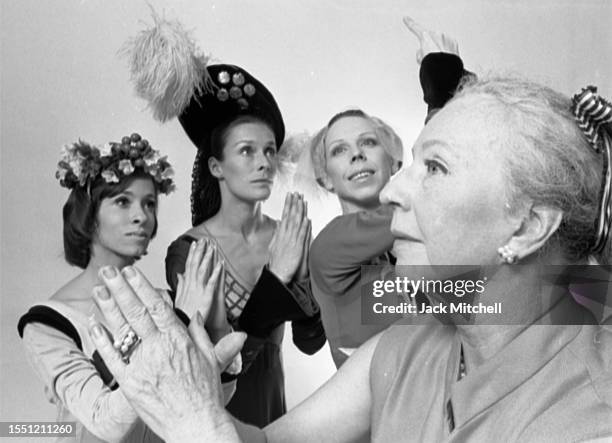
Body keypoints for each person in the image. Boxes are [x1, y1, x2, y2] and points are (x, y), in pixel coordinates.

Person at [90, 75, 612, 442]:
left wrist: (196, 426)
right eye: (340, 150)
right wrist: (199, 410)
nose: (392, 190)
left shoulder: (592, 417)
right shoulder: (401, 345)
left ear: (528, 227)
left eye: (434, 167)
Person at [123, 13, 325, 427]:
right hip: (214, 416)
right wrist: (277, 279)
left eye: (269, 151)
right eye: (247, 152)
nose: (264, 163)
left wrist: (306, 282)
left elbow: (310, 343)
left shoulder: (287, 235)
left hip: (275, 415)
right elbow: (206, 359)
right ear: (216, 166)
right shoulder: (190, 250)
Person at [309, 17, 471, 367]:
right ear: (325, 179)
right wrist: (442, 92)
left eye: (369, 142)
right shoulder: (329, 248)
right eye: (338, 150)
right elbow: (432, 191)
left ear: (395, 161)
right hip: (376, 420)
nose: (356, 154)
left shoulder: (417, 245)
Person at [17, 134, 183, 442]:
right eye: (123, 201)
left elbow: (207, 404)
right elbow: (104, 420)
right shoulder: (47, 324)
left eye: (149, 203)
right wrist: (176, 331)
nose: (142, 217)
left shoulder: (166, 302)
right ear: (89, 214)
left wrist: (213, 326)